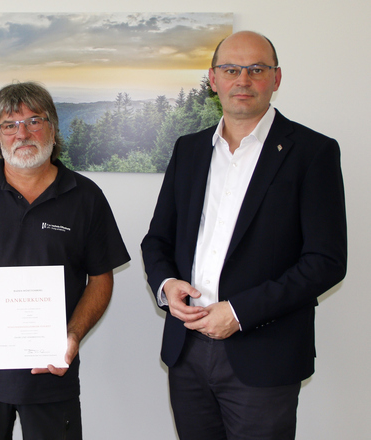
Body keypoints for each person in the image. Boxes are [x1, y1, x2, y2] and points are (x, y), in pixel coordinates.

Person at [141, 31, 347, 439]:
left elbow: (326, 262)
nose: (243, 80)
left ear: (277, 78)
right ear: (213, 79)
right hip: (187, 351)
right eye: (231, 69)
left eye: (257, 69)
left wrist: (239, 313)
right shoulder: (189, 149)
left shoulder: (313, 152)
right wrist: (167, 285)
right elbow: (157, 240)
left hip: (265, 356)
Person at [0, 81, 130, 439]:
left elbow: (101, 279)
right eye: (10, 124)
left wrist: (73, 336)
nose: (23, 133)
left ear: (53, 127)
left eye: (35, 120)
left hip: (50, 373)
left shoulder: (86, 197)